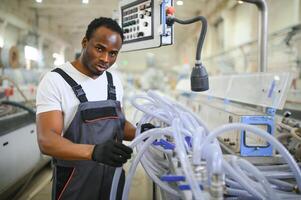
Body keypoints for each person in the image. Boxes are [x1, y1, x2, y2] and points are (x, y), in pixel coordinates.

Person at [36, 17, 137, 200]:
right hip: (75, 180)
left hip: (112, 178)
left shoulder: (113, 81)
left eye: (113, 53)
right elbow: (47, 140)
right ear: (85, 42)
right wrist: (93, 152)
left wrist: (142, 132)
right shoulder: (55, 80)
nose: (105, 59)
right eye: (100, 49)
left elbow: (117, 124)